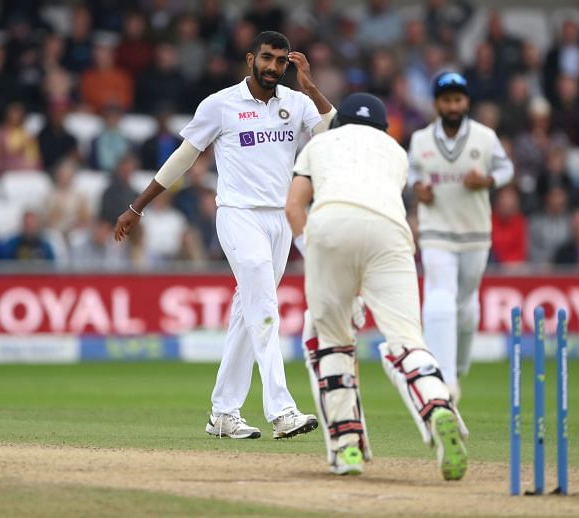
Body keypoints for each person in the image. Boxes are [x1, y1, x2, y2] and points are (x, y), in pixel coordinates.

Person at [114, 31, 335, 440]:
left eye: (280, 61)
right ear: (251, 58)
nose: (272, 67)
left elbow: (337, 136)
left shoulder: (297, 102)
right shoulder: (221, 104)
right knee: (264, 304)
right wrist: (137, 206)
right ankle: (281, 409)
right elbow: (184, 156)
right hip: (237, 215)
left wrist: (310, 86)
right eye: (266, 58)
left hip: (281, 219)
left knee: (247, 312)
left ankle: (223, 413)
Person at [285, 92, 468, 479]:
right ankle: (438, 408)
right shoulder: (395, 151)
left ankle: (348, 446)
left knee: (331, 341)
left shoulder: (320, 143)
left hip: (332, 225)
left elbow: (294, 206)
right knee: (408, 342)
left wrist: (312, 249)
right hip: (391, 233)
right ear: (383, 129)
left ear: (340, 123)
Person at [408, 72, 514, 401]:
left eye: (458, 99)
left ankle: (459, 365)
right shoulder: (421, 139)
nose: (453, 106)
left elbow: (506, 169)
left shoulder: (485, 137)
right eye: (447, 100)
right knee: (441, 294)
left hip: (475, 233)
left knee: (466, 305)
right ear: (437, 103)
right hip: (436, 230)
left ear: (466, 101)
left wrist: (486, 181)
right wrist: (417, 189)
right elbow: (411, 173)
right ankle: (444, 380)